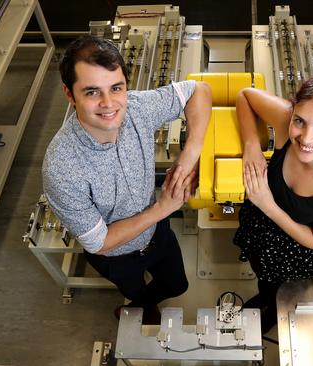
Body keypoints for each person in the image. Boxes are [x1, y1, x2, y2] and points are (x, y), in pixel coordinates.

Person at [42, 35, 211, 324]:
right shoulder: (61, 168)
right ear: (69, 94)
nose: (109, 104)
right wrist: (163, 208)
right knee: (134, 291)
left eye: (116, 88)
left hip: (157, 233)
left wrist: (190, 152)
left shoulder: (136, 108)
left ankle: (143, 304)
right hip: (118, 257)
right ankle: (138, 307)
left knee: (177, 285)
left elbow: (199, 91)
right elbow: (100, 243)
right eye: (92, 92)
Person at [233, 75, 313, 333]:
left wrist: (267, 204)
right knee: (262, 275)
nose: (305, 138)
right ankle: (266, 295)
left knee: (275, 289)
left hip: (291, 251)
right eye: (300, 121)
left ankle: (270, 308)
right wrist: (252, 146)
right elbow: (244, 96)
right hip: (260, 230)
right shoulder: (285, 121)